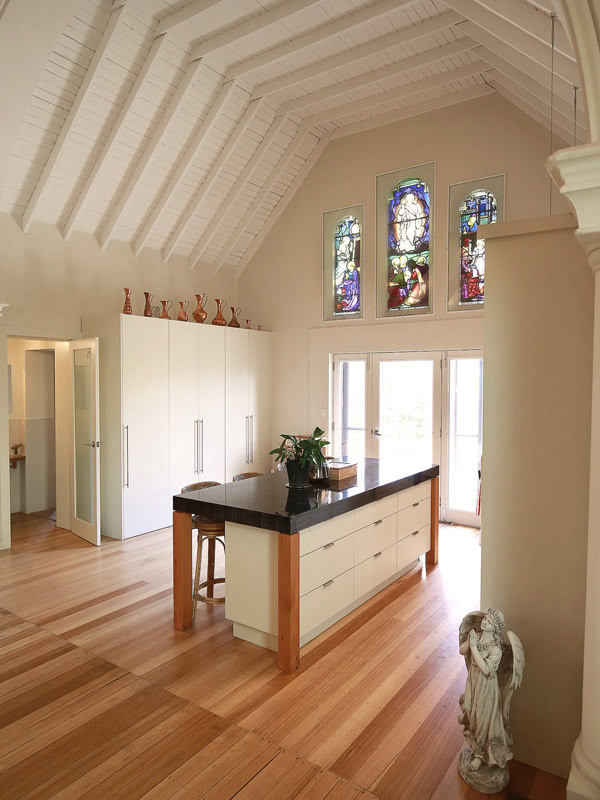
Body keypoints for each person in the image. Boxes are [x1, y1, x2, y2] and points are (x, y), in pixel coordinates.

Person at [458, 608, 512, 772]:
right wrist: (469, 643)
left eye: (489, 621)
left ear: (495, 628)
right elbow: (462, 651)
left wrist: (474, 648)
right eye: (485, 618)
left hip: (486, 685)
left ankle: (480, 755)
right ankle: (475, 747)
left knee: (482, 718)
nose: (485, 621)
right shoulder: (477, 635)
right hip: (473, 679)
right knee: (469, 708)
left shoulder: (496, 649)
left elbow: (487, 670)